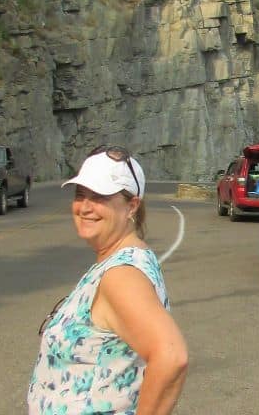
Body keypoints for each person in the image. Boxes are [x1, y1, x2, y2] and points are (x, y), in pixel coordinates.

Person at [28, 146, 188, 415]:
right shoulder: (121, 261)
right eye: (81, 195)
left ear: (132, 205)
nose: (85, 207)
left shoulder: (121, 276)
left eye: (99, 196)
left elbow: (172, 356)